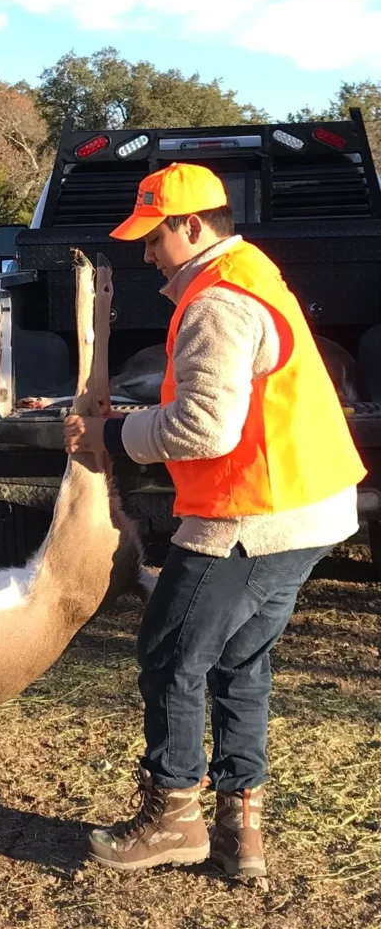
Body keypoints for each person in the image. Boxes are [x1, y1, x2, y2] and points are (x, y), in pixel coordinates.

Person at [64, 162, 366, 878]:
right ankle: (240, 834)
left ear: (192, 226)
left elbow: (205, 428)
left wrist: (109, 437)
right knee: (239, 662)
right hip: (310, 508)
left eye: (153, 236)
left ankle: (175, 817)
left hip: (249, 514)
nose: (146, 254)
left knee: (170, 655)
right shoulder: (253, 273)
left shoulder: (216, 302)